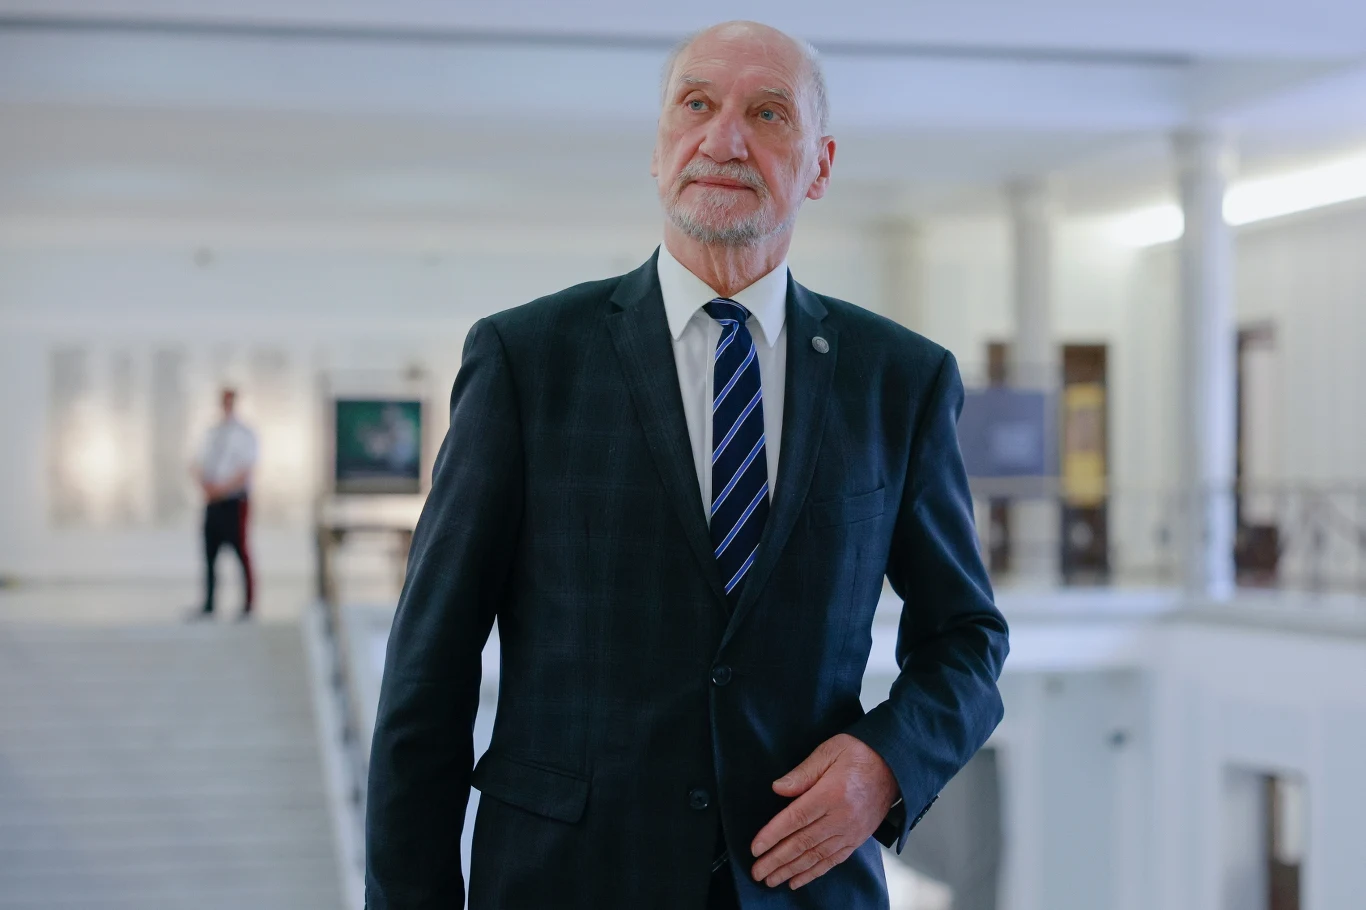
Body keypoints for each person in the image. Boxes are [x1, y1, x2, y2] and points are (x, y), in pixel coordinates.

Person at [365, 20, 1009, 910]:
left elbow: (967, 637)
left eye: (768, 113)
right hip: (566, 883)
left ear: (820, 165)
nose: (724, 139)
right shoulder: (526, 359)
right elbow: (428, 672)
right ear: (659, 144)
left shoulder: (898, 379)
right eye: (697, 105)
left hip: (803, 886)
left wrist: (887, 762)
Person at [188, 387, 257, 621]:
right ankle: (209, 603)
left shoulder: (245, 434)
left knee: (241, 552)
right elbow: (197, 463)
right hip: (212, 501)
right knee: (209, 553)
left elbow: (246, 470)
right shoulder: (212, 433)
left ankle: (248, 605)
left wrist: (221, 489)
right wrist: (205, 486)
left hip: (234, 501)